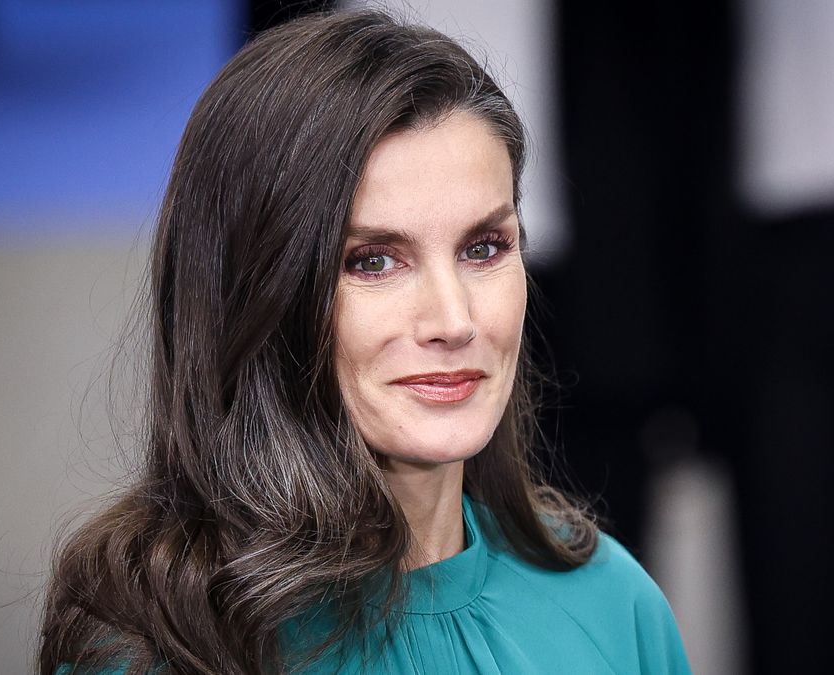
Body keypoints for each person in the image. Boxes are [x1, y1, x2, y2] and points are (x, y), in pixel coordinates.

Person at [38, 10, 691, 675]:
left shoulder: (614, 603)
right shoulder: (160, 649)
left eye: (484, 247)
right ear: (256, 292)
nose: (454, 318)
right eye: (374, 260)